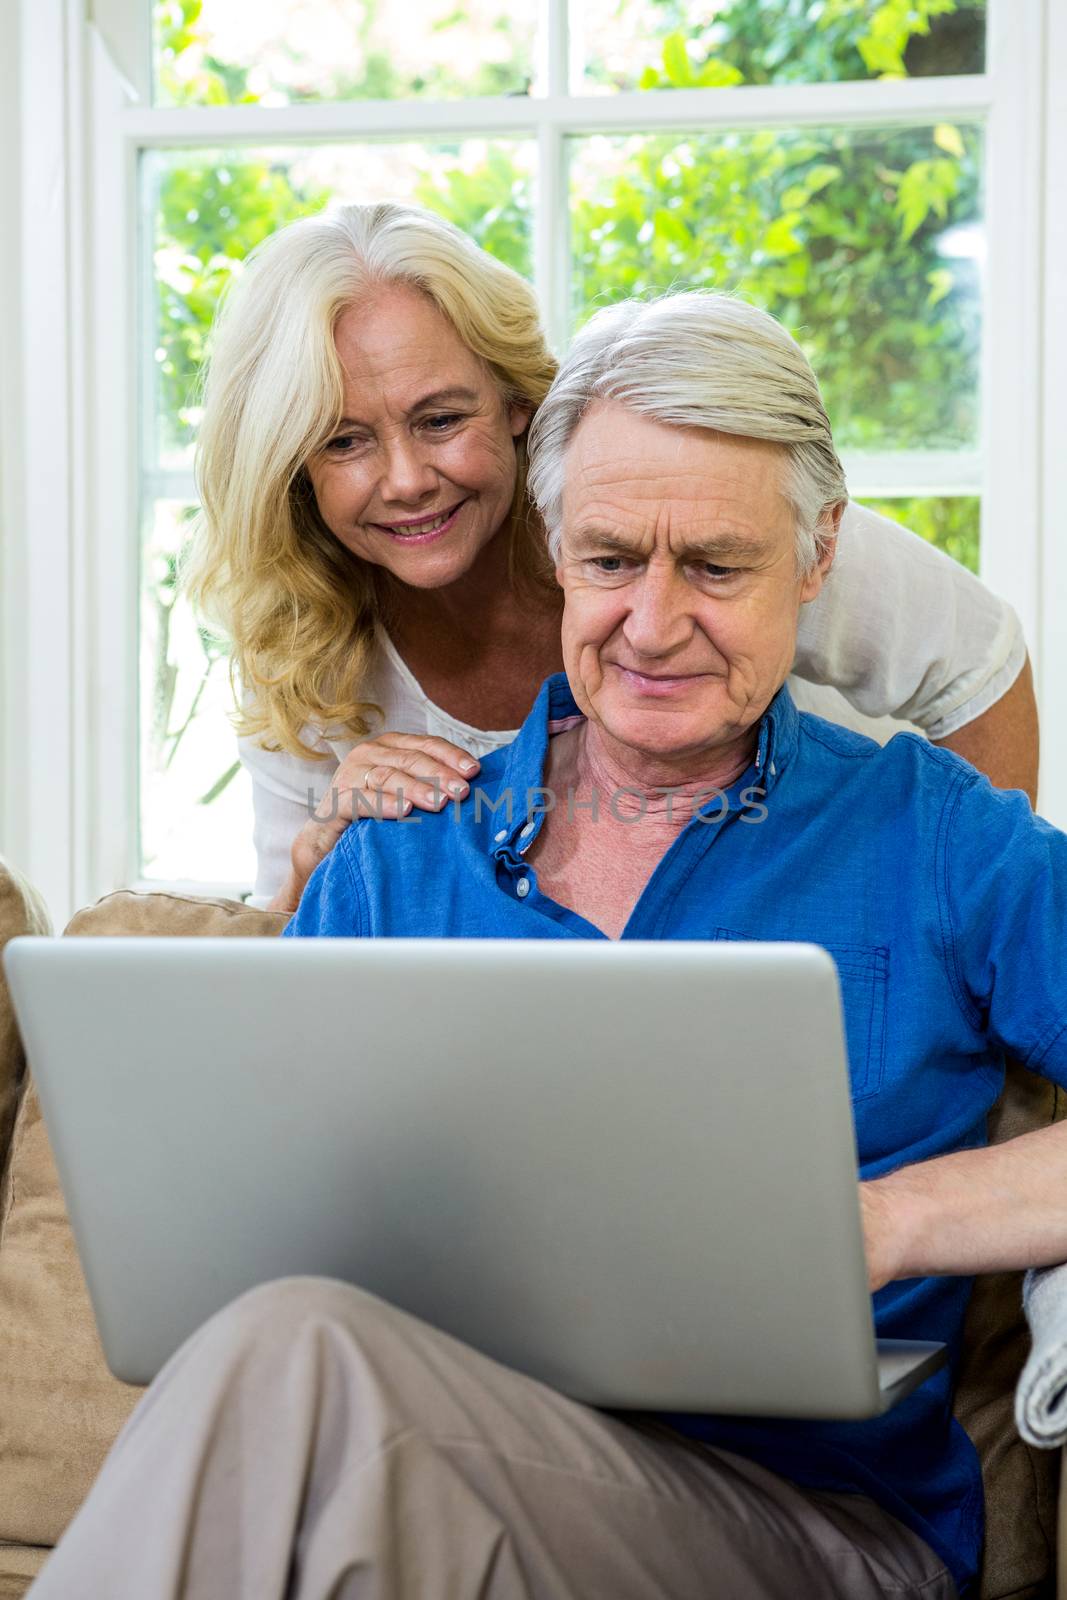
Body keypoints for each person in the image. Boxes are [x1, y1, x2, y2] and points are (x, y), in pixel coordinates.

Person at [33, 293, 1067, 1600]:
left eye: (714, 566)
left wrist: (879, 1221)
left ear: (813, 558)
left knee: (296, 1358)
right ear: (550, 547)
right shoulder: (399, 856)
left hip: (811, 1530)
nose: (648, 622)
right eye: (610, 558)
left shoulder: (931, 837)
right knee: (303, 1382)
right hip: (433, 1488)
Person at [183, 202, 1037, 914]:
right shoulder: (299, 639)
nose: (407, 480)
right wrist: (323, 853)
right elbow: (285, 940)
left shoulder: (679, 504)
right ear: (290, 462)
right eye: (343, 440)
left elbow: (975, 663)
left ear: (516, 401)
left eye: (441, 419)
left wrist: (937, 919)